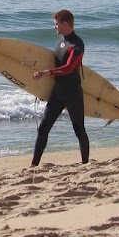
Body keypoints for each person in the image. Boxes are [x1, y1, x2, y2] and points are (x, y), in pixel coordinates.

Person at [31, 9, 90, 166]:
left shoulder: (77, 45)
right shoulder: (61, 41)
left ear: (65, 24)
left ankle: (85, 164)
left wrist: (46, 73)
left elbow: (68, 68)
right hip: (57, 92)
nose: (54, 27)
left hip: (72, 93)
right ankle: (34, 165)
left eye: (56, 24)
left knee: (79, 130)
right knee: (43, 128)